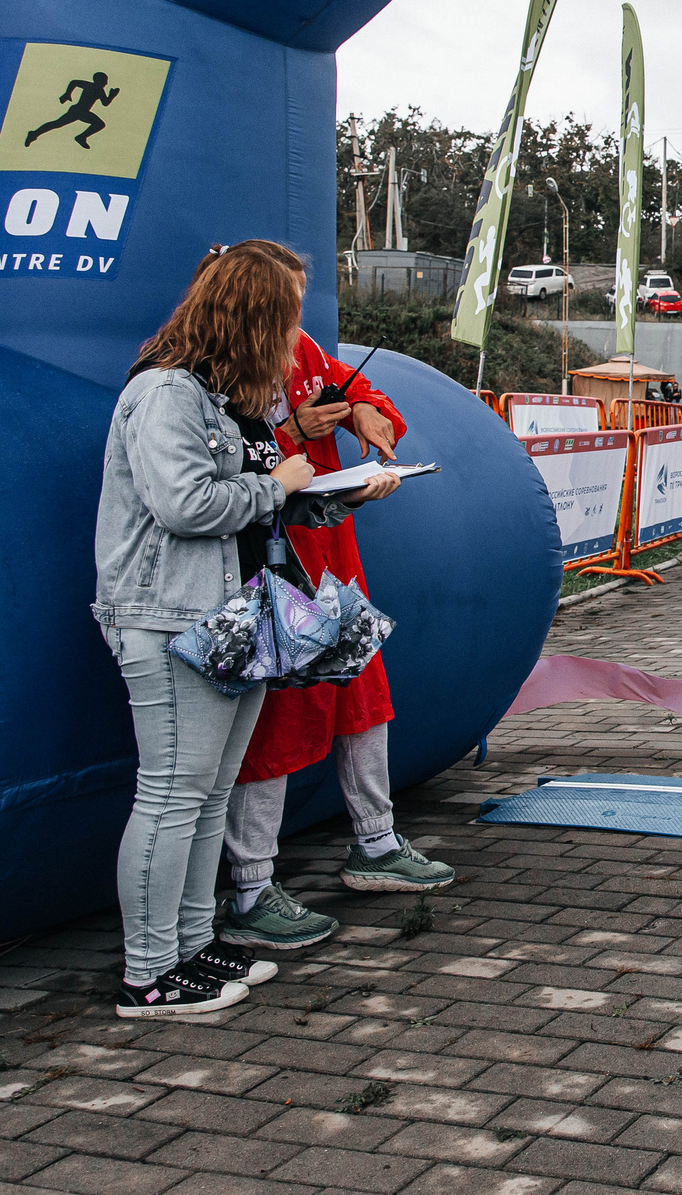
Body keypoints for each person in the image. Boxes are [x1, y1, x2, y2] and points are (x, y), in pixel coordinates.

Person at [92, 243, 398, 1018]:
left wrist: (333, 496)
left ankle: (193, 945)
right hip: (168, 618)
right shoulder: (164, 393)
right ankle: (149, 969)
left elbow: (265, 505)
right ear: (251, 316)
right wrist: (278, 480)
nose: (295, 338)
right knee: (170, 794)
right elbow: (187, 504)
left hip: (228, 616)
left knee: (205, 793)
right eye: (285, 318)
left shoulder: (224, 396)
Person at [215, 246, 454, 955]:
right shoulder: (219, 366)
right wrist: (294, 435)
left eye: (299, 299)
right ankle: (252, 885)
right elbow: (228, 465)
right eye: (283, 300)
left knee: (363, 691)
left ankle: (375, 841)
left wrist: (365, 418)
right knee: (278, 713)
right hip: (273, 557)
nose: (295, 315)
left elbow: (362, 394)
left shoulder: (305, 346)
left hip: (328, 546)